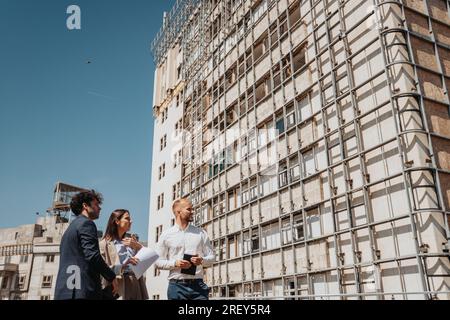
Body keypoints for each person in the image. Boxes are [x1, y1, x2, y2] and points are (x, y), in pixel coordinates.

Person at [55, 190, 118, 300]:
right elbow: (93, 256)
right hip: (81, 289)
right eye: (96, 204)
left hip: (65, 290)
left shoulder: (70, 229)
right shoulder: (86, 224)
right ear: (85, 206)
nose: (99, 208)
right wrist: (111, 277)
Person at [155, 198, 215, 300]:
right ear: (179, 212)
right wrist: (175, 263)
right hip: (176, 286)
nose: (192, 212)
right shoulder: (166, 235)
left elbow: (212, 258)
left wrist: (202, 260)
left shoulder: (201, 233)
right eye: (189, 209)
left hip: (198, 286)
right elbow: (157, 262)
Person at [99, 209, 149, 300]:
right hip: (119, 284)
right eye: (127, 218)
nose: (131, 221)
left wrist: (137, 246)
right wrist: (123, 265)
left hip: (136, 283)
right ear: (117, 221)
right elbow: (102, 269)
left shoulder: (132, 242)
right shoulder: (104, 244)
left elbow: (147, 258)